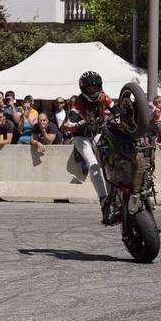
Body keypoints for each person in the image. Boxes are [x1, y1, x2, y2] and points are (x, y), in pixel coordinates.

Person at [63, 71, 115, 217]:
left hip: (97, 132)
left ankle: (114, 196)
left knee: (106, 162)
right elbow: (72, 115)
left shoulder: (104, 97)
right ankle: (103, 200)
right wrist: (76, 121)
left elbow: (115, 109)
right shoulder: (78, 100)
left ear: (99, 86)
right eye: (89, 88)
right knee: (93, 164)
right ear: (83, 88)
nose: (92, 90)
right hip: (81, 136)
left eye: (94, 87)